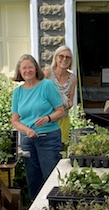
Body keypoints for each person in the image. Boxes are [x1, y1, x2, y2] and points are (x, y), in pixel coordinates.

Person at [12, 54, 65, 201]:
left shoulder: (46, 85)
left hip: (48, 138)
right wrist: (27, 130)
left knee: (51, 176)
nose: (27, 70)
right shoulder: (18, 92)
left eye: (30, 67)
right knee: (32, 178)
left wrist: (48, 118)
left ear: (36, 69)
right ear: (20, 71)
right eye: (24, 68)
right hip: (27, 140)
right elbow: (15, 121)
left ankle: (55, 207)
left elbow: (60, 111)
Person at [43, 46, 77, 146]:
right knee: (47, 148)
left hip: (63, 119)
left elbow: (70, 101)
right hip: (47, 119)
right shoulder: (47, 74)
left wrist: (62, 106)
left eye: (68, 57)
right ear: (56, 58)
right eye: (61, 56)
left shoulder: (73, 78)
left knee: (61, 149)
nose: (64, 59)